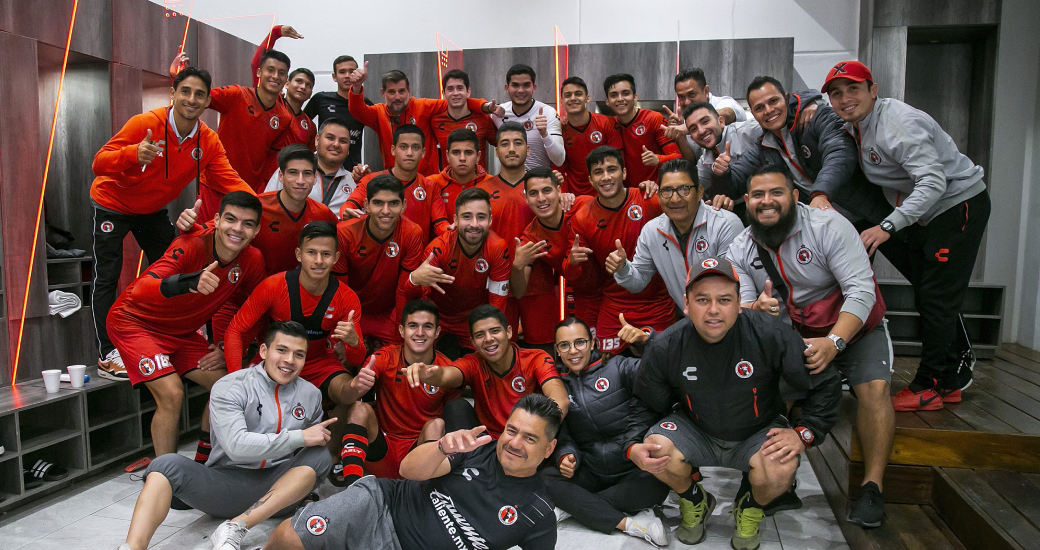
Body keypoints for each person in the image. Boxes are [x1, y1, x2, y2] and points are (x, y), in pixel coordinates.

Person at [627, 256, 840, 549]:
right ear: (686, 304)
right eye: (702, 299)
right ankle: (695, 499)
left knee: (781, 466)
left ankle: (750, 507)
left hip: (757, 430)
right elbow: (644, 401)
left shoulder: (771, 333)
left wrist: (805, 432)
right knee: (654, 448)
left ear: (740, 303)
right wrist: (632, 444)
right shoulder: (666, 345)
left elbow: (826, 380)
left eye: (724, 299)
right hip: (696, 428)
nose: (713, 310)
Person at [727, 163, 895, 528]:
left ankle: (871, 487)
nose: (766, 201)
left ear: (794, 196)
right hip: (796, 334)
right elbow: (738, 304)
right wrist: (754, 308)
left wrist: (835, 341)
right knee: (772, 392)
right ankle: (777, 483)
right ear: (746, 201)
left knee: (874, 390)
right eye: (757, 195)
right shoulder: (740, 246)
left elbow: (861, 289)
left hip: (856, 327)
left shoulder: (829, 227)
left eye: (776, 193)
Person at [822, 60, 990, 410]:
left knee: (936, 299)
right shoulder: (857, 124)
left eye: (853, 88)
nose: (845, 98)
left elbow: (933, 182)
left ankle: (929, 385)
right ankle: (948, 381)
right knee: (929, 294)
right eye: (836, 93)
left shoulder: (898, 125)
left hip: (957, 205)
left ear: (873, 89)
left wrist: (888, 226)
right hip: (929, 214)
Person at [89, 67, 254, 381]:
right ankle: (108, 352)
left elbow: (231, 182)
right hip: (112, 204)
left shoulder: (207, 140)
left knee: (181, 271)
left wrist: (264, 207)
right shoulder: (145, 123)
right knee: (107, 275)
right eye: (186, 92)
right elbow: (99, 162)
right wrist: (131, 154)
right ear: (173, 94)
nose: (192, 100)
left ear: (207, 101)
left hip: (151, 210)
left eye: (200, 94)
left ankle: (173, 337)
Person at [117, 321, 333, 550]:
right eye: (282, 350)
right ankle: (133, 547)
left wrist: (310, 494)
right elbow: (236, 445)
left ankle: (236, 526)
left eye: (299, 354)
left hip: (278, 491)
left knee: (320, 455)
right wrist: (299, 437)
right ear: (263, 351)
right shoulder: (231, 386)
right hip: (225, 485)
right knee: (165, 464)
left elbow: (310, 454)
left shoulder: (310, 394)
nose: (289, 360)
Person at [262, 394, 562, 550]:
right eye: (512, 430)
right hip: (382, 507)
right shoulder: (476, 448)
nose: (514, 443)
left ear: (549, 449)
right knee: (288, 537)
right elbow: (408, 469)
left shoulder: (539, 513)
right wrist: (442, 447)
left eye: (530, 438)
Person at [107, 192, 266, 458]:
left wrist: (225, 345)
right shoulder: (192, 244)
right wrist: (188, 282)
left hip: (181, 332)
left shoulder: (253, 259)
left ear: (257, 229)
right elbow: (140, 290)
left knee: (228, 385)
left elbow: (254, 309)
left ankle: (204, 461)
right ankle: (164, 476)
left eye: (247, 223)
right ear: (216, 220)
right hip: (134, 322)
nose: (237, 229)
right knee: (171, 393)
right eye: (231, 219)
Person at [222, 221, 371, 477]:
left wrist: (354, 342)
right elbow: (236, 330)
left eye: (326, 254)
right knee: (231, 391)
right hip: (275, 362)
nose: (318, 260)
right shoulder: (273, 286)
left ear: (336, 258)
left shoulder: (346, 297)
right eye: (311, 252)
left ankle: (329, 459)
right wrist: (236, 377)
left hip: (317, 362)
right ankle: (232, 459)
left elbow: (357, 357)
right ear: (299, 254)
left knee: (349, 394)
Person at [542, 317, 670, 547]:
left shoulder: (619, 367)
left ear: (593, 343)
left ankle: (576, 507)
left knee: (658, 484)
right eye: (564, 345)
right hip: (591, 471)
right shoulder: (557, 386)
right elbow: (564, 436)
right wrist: (566, 456)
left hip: (633, 470)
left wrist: (647, 341)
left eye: (580, 342)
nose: (573, 351)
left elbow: (662, 368)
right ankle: (631, 523)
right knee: (546, 478)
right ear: (557, 350)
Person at [716, 76, 890, 225]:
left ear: (786, 98)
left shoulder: (816, 117)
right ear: (753, 113)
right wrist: (722, 172)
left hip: (878, 212)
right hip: (831, 225)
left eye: (773, 101)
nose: (769, 110)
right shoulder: (764, 147)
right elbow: (736, 183)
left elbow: (840, 153)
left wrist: (821, 194)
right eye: (759, 108)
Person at [564, 146, 674, 353]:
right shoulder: (582, 218)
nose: (606, 177)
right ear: (590, 180)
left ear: (623, 173)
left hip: (657, 302)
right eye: (598, 172)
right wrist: (574, 263)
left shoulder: (649, 199)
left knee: (662, 366)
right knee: (606, 371)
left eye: (612, 169)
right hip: (614, 304)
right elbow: (582, 279)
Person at [403, 305, 569, 437]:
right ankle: (468, 469)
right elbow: (447, 375)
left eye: (495, 331)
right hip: (487, 443)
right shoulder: (474, 362)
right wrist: (429, 374)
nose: (489, 339)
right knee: (456, 407)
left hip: (527, 437)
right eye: (480, 335)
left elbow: (559, 399)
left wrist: (536, 433)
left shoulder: (536, 358)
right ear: (473, 342)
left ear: (509, 332)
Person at [340, 299, 460, 480]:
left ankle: (427, 492)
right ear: (402, 331)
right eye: (413, 326)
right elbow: (347, 397)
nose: (420, 333)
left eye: (427, 327)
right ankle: (352, 487)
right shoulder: (385, 357)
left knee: (437, 425)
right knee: (358, 408)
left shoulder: (446, 370)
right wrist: (355, 385)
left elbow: (453, 421)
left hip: (418, 457)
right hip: (383, 450)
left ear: (437, 333)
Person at [171, 49, 293, 221]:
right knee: (205, 237)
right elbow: (197, 99)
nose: (275, 76)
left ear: (286, 79)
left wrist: (263, 190)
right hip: (215, 184)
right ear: (259, 72)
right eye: (270, 70)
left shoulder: (284, 117)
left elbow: (271, 160)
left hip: (246, 190)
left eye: (281, 73)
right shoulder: (236, 95)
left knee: (237, 241)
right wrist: (178, 75)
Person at [182, 145, 338, 276]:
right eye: (293, 173)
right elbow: (214, 230)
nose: (300, 180)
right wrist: (189, 226)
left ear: (315, 179)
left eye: (307, 174)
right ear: (281, 176)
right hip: (244, 288)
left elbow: (343, 241)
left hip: (289, 293)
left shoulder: (322, 214)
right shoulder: (257, 207)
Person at [611, 158, 744, 309]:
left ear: (700, 192)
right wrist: (622, 268)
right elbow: (638, 282)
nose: (675, 199)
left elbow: (737, 287)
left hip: (729, 317)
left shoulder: (725, 224)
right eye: (667, 191)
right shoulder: (652, 231)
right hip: (690, 320)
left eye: (684, 189)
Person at [401, 188, 511, 355]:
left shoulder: (497, 248)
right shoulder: (439, 248)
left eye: (481, 217)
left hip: (475, 319)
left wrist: (489, 333)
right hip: (438, 318)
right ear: (455, 220)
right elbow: (413, 299)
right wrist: (414, 279)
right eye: (467, 217)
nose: (474, 224)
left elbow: (498, 304)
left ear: (490, 220)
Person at [347, 63, 500, 176]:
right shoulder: (378, 113)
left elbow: (456, 100)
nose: (397, 97)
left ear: (409, 91)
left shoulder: (423, 106)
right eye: (391, 92)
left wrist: (484, 106)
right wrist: (357, 86)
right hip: (395, 179)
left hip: (428, 181)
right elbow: (357, 111)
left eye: (401, 91)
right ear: (382, 93)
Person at [332, 175, 426, 348]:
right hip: (353, 312)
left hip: (388, 315)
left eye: (393, 203)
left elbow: (403, 289)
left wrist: (400, 329)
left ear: (403, 205)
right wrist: (347, 329)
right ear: (366, 205)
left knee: (399, 358)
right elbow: (340, 289)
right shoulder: (345, 233)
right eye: (378, 203)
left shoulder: (412, 233)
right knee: (342, 359)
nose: (386, 210)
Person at [513, 169, 601, 340]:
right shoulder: (531, 237)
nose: (541, 198)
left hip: (616, 290)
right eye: (533, 193)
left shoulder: (583, 205)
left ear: (559, 191)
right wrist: (517, 266)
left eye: (547, 190)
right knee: (591, 352)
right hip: (585, 298)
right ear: (526, 198)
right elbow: (518, 291)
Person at [339, 124, 448, 242]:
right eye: (403, 147)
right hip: (377, 252)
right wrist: (346, 211)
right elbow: (349, 205)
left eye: (415, 147)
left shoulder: (430, 187)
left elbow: (440, 223)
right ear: (393, 150)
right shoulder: (371, 179)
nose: (409, 153)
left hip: (416, 256)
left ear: (423, 152)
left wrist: (453, 230)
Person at [603, 73, 681, 186]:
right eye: (614, 95)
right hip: (625, 195)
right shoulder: (609, 125)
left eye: (625, 93)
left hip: (656, 191)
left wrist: (658, 159)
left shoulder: (654, 118)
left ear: (635, 97)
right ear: (607, 101)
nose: (620, 99)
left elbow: (678, 158)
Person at [268, 118, 355, 214]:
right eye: (330, 138)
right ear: (317, 140)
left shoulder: (354, 183)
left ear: (348, 149)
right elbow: (267, 204)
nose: (336, 144)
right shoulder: (290, 170)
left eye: (343, 141)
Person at [557, 76, 624, 196]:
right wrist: (564, 194)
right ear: (561, 101)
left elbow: (618, 161)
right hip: (575, 196)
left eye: (578, 94)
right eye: (567, 95)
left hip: (606, 192)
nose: (573, 98)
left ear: (587, 98)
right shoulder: (559, 131)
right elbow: (559, 170)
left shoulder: (607, 123)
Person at [302, 54, 371, 171]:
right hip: (320, 168)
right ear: (334, 77)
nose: (347, 76)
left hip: (352, 169)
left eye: (351, 71)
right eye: (342, 72)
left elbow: (383, 124)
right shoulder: (321, 99)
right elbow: (300, 125)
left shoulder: (365, 103)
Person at [491, 64, 566, 170]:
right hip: (509, 183)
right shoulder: (497, 113)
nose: (521, 90)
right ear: (507, 88)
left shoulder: (548, 113)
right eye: (515, 85)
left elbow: (559, 160)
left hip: (539, 183)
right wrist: (485, 106)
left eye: (526, 85)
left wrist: (545, 134)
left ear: (534, 88)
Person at [431, 69, 497, 171]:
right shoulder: (436, 121)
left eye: (460, 88)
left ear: (468, 92)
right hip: (449, 183)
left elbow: (501, 144)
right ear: (443, 93)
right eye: (450, 89)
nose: (455, 93)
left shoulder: (483, 119)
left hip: (478, 184)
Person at [428, 128, 491, 220]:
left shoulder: (493, 184)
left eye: (468, 152)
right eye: (456, 152)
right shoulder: (431, 184)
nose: (462, 158)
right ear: (447, 156)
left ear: (478, 156)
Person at [674, 68, 747, 124]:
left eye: (692, 94)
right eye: (681, 97)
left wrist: (688, 126)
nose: (687, 102)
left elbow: (727, 114)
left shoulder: (726, 102)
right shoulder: (683, 120)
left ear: (706, 91)